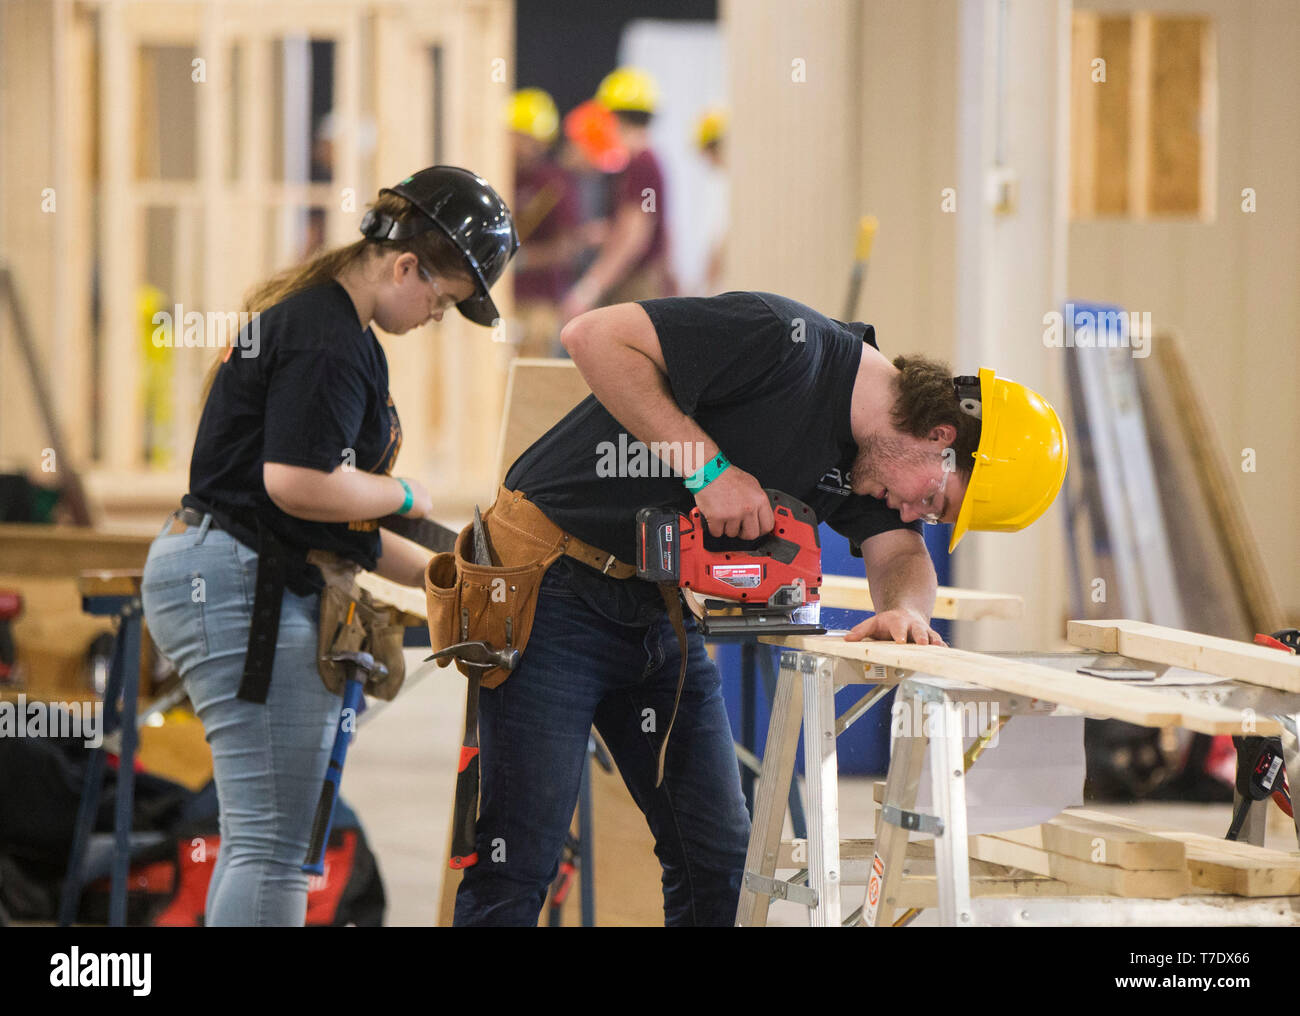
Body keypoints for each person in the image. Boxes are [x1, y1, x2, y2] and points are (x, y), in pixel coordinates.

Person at [452, 291, 1067, 926]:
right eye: (934, 500)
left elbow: (902, 553)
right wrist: (709, 471)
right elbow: (592, 336)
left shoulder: (872, 459)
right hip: (551, 582)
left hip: (659, 610)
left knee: (718, 861)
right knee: (517, 862)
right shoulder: (782, 342)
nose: (915, 515)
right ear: (940, 436)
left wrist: (906, 612)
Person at [141, 166, 517, 926]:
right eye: (440, 300)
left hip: (245, 569)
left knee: (263, 843)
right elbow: (299, 484)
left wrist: (456, 579)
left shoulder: (325, 326)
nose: (437, 316)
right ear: (405, 265)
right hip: (246, 584)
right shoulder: (327, 337)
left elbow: (331, 525)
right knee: (275, 850)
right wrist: (407, 494)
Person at [560, 67, 674, 320]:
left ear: (611, 116)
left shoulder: (643, 165)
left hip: (635, 286)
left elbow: (634, 236)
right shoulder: (643, 163)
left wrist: (588, 289)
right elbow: (644, 225)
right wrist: (609, 231)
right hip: (639, 281)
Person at [507, 88, 581, 357]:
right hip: (500, 298)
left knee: (531, 376)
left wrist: (523, 260)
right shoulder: (496, 175)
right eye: (516, 136)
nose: (521, 145)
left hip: (540, 301)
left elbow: (567, 248)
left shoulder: (554, 184)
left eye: (528, 139)